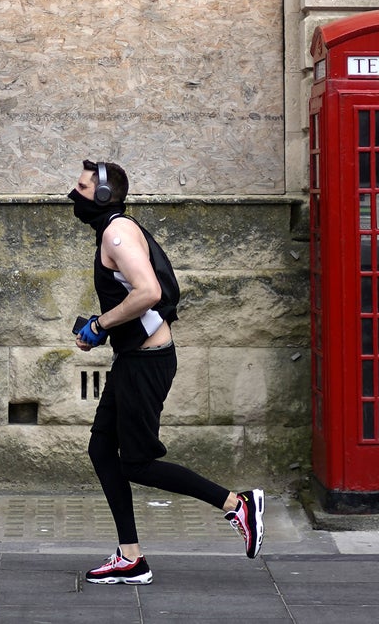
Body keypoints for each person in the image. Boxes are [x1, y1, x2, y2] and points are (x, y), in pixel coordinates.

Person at [67, 159, 264, 585]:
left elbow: (149, 292)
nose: (73, 194)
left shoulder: (117, 233)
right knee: (102, 449)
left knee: (136, 463)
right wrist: (102, 329)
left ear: (102, 196)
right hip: (134, 358)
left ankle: (236, 503)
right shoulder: (117, 228)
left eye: (82, 187)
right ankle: (131, 557)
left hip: (146, 363)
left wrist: (100, 325)